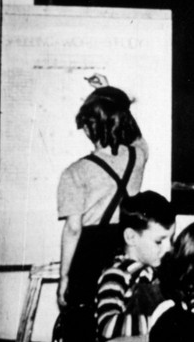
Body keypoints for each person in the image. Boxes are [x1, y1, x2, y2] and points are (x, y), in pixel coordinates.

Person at [57, 76, 149, 311]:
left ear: (88, 128)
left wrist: (64, 277)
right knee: (122, 316)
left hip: (90, 252)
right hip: (127, 246)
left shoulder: (74, 172)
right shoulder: (137, 157)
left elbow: (73, 229)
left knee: (85, 324)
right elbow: (138, 138)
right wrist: (109, 95)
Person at [92, 191, 175, 342]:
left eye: (170, 240)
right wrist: (160, 323)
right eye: (159, 241)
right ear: (131, 237)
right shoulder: (116, 275)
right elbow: (108, 325)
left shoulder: (153, 272)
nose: (168, 248)